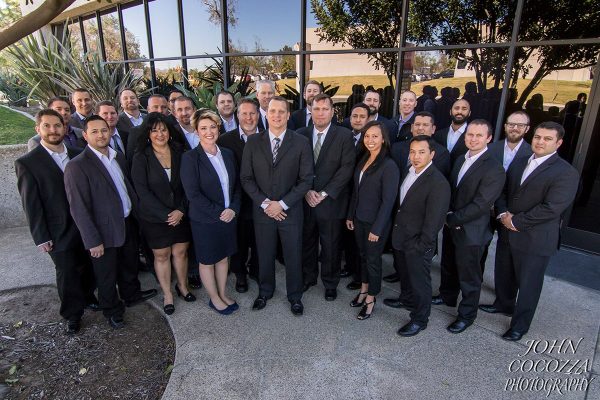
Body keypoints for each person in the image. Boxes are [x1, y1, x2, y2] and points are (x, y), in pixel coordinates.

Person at [480, 122, 579, 341]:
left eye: (547, 139)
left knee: (528, 285)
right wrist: (503, 214)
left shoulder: (566, 172)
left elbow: (552, 208)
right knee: (504, 272)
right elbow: (504, 190)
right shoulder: (521, 161)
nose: (540, 142)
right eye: (538, 137)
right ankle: (503, 304)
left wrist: (516, 221)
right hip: (508, 230)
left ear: (558, 143)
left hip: (535, 238)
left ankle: (520, 325)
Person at [64, 115, 157, 329]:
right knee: (106, 275)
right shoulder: (77, 166)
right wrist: (92, 240)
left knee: (129, 263)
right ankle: (112, 310)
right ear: (85, 135)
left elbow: (127, 188)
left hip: (127, 222)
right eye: (94, 131)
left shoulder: (118, 157)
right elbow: (78, 207)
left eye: (104, 130)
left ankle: (131, 295)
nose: (101, 135)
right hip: (102, 231)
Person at [16, 109, 97, 335]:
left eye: (57, 126)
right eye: (47, 126)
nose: (53, 130)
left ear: (64, 127)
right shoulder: (28, 163)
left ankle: (89, 296)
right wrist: (41, 236)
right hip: (57, 228)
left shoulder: (77, 152)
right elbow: (30, 203)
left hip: (84, 224)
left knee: (88, 263)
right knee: (67, 271)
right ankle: (72, 314)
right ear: (38, 129)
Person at [240, 96, 313, 316]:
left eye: (282, 111)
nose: (277, 115)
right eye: (273, 111)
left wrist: (281, 204)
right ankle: (265, 291)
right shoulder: (253, 142)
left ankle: (295, 296)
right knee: (264, 253)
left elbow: (306, 179)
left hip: (290, 212)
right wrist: (265, 204)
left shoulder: (300, 142)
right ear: (267, 114)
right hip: (263, 212)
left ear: (288, 115)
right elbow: (246, 178)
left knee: (293, 255)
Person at [432, 119, 505, 334]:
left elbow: (481, 204)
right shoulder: (460, 159)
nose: (473, 139)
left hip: (472, 231)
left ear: (489, 139)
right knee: (448, 265)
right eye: (470, 135)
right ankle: (447, 296)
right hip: (451, 225)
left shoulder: (494, 168)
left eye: (479, 135)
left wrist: (451, 218)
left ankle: (466, 315)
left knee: (469, 276)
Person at [131, 113, 195, 315]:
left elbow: (189, 185)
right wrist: (166, 214)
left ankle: (183, 286)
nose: (160, 134)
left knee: (180, 253)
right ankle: (167, 293)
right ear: (148, 134)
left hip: (180, 214)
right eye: (155, 130)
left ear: (169, 132)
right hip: (155, 218)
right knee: (162, 255)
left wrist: (181, 210)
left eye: (163, 129)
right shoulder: (141, 156)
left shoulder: (180, 152)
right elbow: (142, 192)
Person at [181, 110, 241, 315]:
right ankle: (214, 299)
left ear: (218, 128)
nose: (209, 132)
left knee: (224, 258)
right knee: (207, 260)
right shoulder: (190, 158)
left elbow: (236, 186)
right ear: (197, 132)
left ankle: (222, 293)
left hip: (228, 217)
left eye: (213, 127)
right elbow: (193, 194)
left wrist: (233, 208)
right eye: (203, 128)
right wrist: (220, 212)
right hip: (205, 220)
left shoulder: (227, 154)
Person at [298, 93, 355, 301]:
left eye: (325, 109)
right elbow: (295, 168)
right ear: (310, 111)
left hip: (330, 202)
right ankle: (308, 277)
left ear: (332, 112)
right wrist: (306, 191)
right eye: (316, 109)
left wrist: (323, 193)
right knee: (307, 242)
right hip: (305, 200)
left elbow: (346, 169)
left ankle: (330, 283)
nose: (320, 113)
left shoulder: (344, 135)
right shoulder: (300, 134)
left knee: (331, 245)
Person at [383, 111, 451, 286]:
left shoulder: (441, 153)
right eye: (417, 124)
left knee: (417, 268)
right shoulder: (398, 148)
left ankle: (413, 299)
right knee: (400, 256)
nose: (420, 127)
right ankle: (401, 277)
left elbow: (436, 195)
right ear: (412, 127)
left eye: (425, 125)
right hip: (399, 212)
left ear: (433, 128)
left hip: (420, 220)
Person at [392, 136, 451, 337]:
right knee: (406, 277)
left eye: (421, 152)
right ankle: (406, 300)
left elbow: (434, 222)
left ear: (432, 154)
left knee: (420, 283)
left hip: (418, 243)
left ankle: (420, 319)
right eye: (413, 151)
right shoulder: (409, 172)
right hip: (401, 237)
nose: (416, 156)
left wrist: (421, 245)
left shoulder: (437, 182)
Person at [346, 120, 399, 320]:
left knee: (373, 262)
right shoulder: (364, 159)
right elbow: (356, 192)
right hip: (359, 219)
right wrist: (351, 215)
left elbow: (388, 202)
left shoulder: (389, 165)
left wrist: (377, 229)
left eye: (375, 136)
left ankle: (371, 299)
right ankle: (363, 289)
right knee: (363, 257)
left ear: (383, 139)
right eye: (367, 136)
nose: (370, 140)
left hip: (376, 224)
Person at [217, 98, 261, 293]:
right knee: (239, 243)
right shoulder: (225, 140)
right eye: (244, 113)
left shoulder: (268, 137)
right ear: (237, 115)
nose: (248, 117)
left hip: (263, 201)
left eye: (252, 113)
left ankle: (257, 270)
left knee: (260, 240)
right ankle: (240, 274)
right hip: (237, 202)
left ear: (258, 115)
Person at [480, 111, 533, 271]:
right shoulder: (489, 149)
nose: (515, 128)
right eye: (511, 124)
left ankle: (502, 291)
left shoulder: (532, 153)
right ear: (505, 126)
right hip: (486, 208)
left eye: (520, 125)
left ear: (527, 129)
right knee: (479, 249)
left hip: (511, 213)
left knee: (506, 256)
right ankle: (477, 279)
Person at [340, 102, 370, 289]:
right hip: (344, 195)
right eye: (354, 116)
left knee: (360, 242)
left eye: (362, 117)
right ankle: (350, 268)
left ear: (368, 119)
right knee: (348, 237)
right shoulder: (345, 136)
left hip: (360, 197)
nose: (358, 120)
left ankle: (360, 277)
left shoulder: (371, 140)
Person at [126, 94, 170, 160]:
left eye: (163, 107)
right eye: (155, 107)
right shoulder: (136, 132)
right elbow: (131, 160)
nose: (160, 110)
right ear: (148, 109)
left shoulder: (172, 129)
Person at [434, 99, 471, 166]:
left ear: (469, 113)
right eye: (456, 108)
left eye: (464, 109)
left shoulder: (473, 138)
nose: (459, 111)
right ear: (450, 112)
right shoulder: (438, 135)